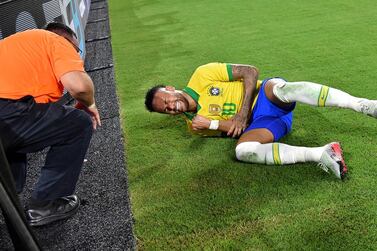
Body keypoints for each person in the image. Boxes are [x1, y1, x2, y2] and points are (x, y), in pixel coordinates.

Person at [145, 62, 377, 180]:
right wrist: (213, 125)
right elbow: (237, 130)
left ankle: (364, 105)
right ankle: (323, 154)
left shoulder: (202, 75)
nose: (170, 107)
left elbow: (250, 71)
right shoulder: (195, 126)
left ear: (170, 89)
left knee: (285, 89)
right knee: (243, 151)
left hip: (264, 96)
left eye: (166, 100)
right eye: (164, 110)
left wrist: (242, 111)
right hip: (267, 124)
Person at [0, 22, 101, 226]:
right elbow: (79, 86)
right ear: (68, 41)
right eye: (76, 51)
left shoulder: (16, 48)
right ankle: (45, 204)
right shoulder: (56, 41)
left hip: (8, 118)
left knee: (20, 136)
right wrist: (89, 103)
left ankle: (9, 198)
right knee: (79, 123)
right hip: (7, 112)